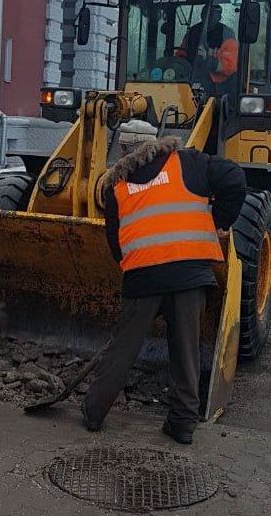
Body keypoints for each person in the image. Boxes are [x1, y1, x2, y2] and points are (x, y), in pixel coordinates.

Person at [82, 120, 247, 444]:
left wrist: (138, 267)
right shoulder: (189, 162)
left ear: (124, 151)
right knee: (186, 351)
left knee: (122, 349)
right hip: (189, 275)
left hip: (143, 278)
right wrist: (218, 221)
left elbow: (116, 243)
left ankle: (93, 412)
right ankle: (183, 423)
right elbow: (235, 178)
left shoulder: (116, 188)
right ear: (153, 143)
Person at [175, 4, 239, 92]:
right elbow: (180, 54)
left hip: (219, 89)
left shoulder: (226, 34)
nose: (207, 17)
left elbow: (229, 66)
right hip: (189, 82)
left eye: (211, 14)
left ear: (219, 17)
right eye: (205, 13)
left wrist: (207, 58)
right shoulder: (192, 32)